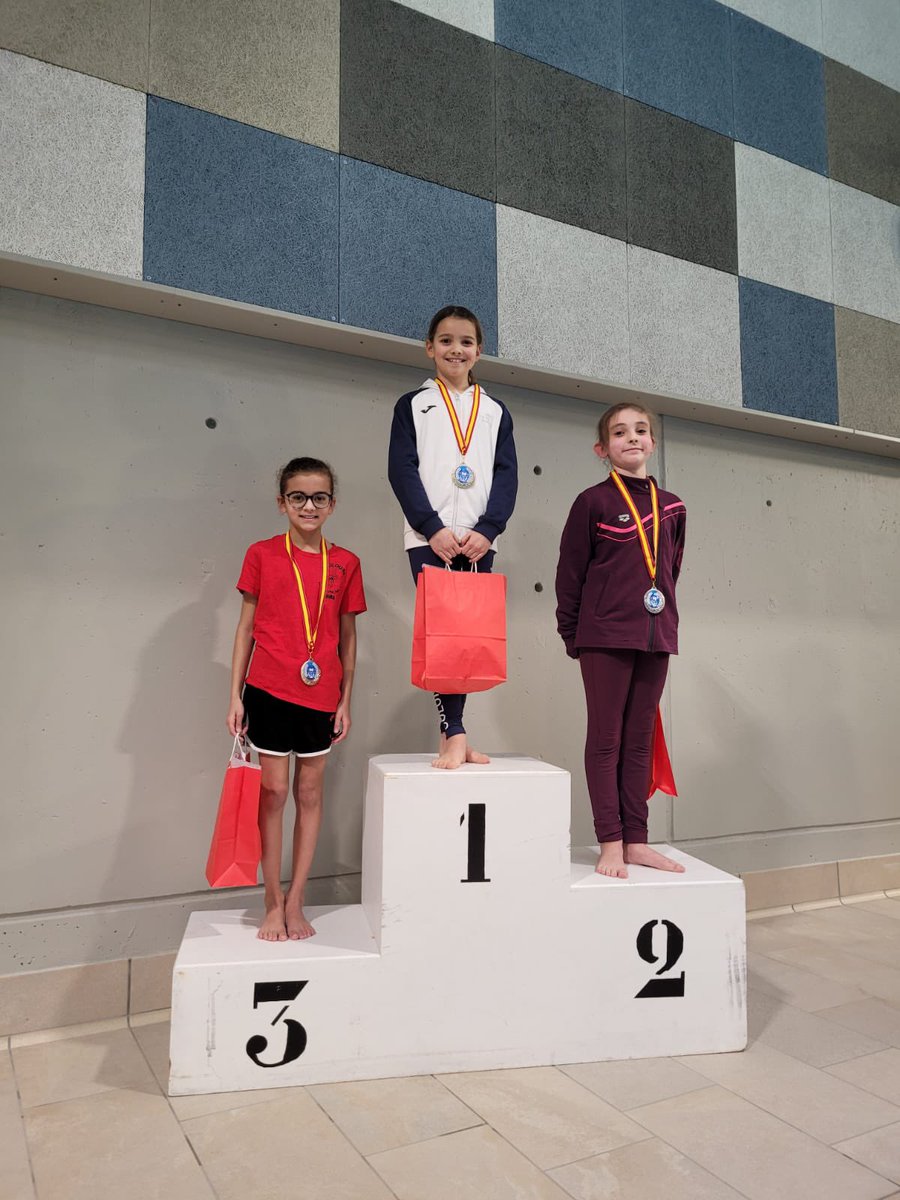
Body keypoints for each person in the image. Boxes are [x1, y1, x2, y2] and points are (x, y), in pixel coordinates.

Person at [227, 457, 366, 940]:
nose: (309, 506)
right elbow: (245, 628)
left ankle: (297, 899)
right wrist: (235, 696)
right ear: (282, 502)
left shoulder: (345, 563)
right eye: (298, 497)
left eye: (319, 497)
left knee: (309, 793)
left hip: (320, 695)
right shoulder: (262, 554)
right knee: (274, 793)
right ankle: (271, 899)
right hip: (266, 690)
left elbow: (347, 638)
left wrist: (346, 699)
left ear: (332, 504)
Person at [555, 404, 686, 878]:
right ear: (602, 448)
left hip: (655, 635)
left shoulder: (672, 506)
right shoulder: (592, 502)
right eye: (619, 432)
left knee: (639, 741)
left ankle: (637, 840)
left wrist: (660, 618)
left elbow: (669, 570)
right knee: (606, 739)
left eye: (641, 430)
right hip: (604, 636)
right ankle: (609, 840)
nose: (632, 438)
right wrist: (575, 635)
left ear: (653, 442)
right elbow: (570, 575)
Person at [388, 305, 517, 769]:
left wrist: (488, 530)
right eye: (446, 340)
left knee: (467, 637)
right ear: (429, 348)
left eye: (465, 342)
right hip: (429, 538)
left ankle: (453, 736)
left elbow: (507, 476)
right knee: (443, 634)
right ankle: (456, 732)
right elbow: (401, 470)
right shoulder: (413, 406)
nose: (455, 349)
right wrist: (432, 527)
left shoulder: (496, 412)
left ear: (478, 352)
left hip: (479, 541)